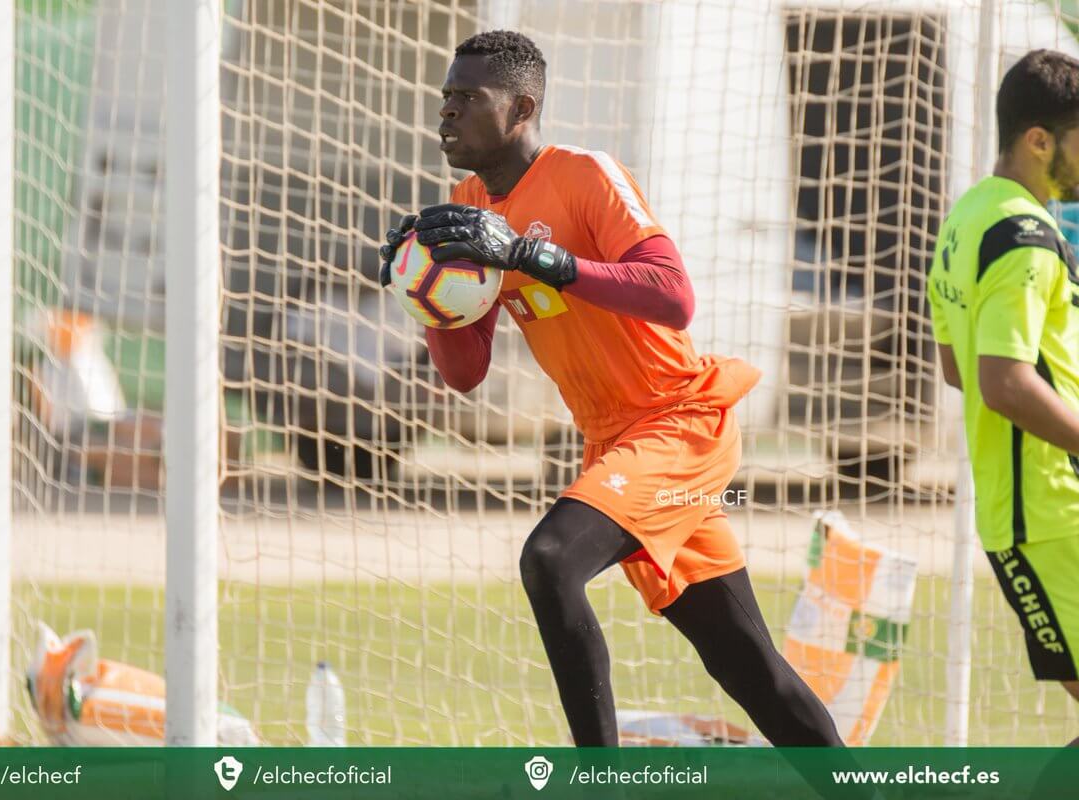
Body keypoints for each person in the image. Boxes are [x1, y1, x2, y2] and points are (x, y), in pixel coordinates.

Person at [378, 30, 841, 747]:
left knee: (550, 558)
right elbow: (465, 375)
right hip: (614, 442)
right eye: (445, 97)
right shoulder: (467, 202)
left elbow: (675, 296)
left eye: (467, 98)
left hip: (679, 423)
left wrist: (535, 256)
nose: (446, 113)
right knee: (748, 666)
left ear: (522, 108)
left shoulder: (587, 176)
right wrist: (426, 295)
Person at [928, 49, 1079, 734]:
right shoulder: (1025, 235)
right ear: (1039, 140)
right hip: (1047, 514)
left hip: (1033, 507)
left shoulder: (967, 216)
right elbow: (1002, 382)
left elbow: (957, 367)